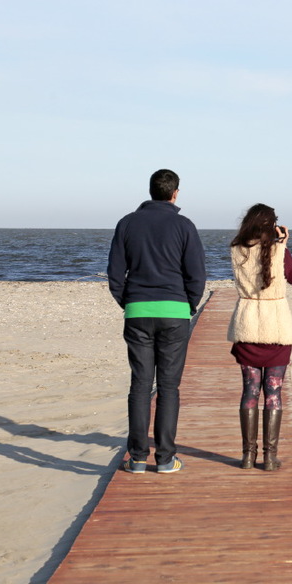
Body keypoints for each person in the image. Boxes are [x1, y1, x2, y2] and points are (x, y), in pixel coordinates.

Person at [107, 169, 207, 474]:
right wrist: (188, 304)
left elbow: (114, 273)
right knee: (168, 387)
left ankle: (137, 457)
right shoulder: (184, 225)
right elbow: (197, 274)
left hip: (138, 310)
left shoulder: (127, 223)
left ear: (151, 191)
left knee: (140, 384)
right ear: (175, 193)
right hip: (174, 312)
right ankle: (164, 458)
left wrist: (128, 301)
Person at [227, 204, 292, 471]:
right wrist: (284, 245)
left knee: (249, 391)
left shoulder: (238, 250)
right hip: (276, 329)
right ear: (273, 225)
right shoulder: (280, 251)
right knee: (273, 392)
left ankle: (248, 455)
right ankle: (269, 457)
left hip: (248, 326)